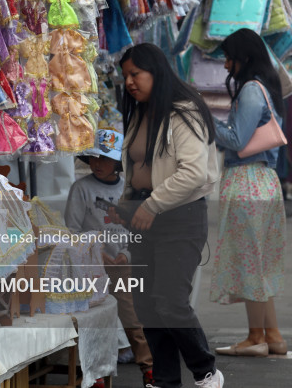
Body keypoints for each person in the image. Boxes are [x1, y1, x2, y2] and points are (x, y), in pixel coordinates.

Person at [115, 43, 224, 388]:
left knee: (170, 301)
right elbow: (138, 167)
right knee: (146, 304)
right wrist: (128, 202)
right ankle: (163, 379)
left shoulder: (183, 112)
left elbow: (193, 172)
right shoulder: (141, 112)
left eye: (136, 74)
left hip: (179, 216)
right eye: (125, 76)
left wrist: (152, 204)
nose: (129, 82)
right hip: (143, 216)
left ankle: (206, 370)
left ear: (156, 72)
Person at [209, 29, 287, 357]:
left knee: (250, 263)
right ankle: (273, 337)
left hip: (247, 183)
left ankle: (256, 338)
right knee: (261, 263)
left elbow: (238, 141)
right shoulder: (266, 89)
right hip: (265, 183)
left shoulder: (251, 91)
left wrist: (205, 118)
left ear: (245, 57)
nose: (226, 65)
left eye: (230, 57)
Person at [64, 129, 154, 387]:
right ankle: (95, 375)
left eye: (104, 159)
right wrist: (96, 253)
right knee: (94, 322)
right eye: (93, 158)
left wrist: (126, 254)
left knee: (132, 320)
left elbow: (137, 229)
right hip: (91, 266)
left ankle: (149, 370)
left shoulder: (129, 189)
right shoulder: (80, 189)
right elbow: (72, 230)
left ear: (118, 163)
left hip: (123, 266)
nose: (97, 163)